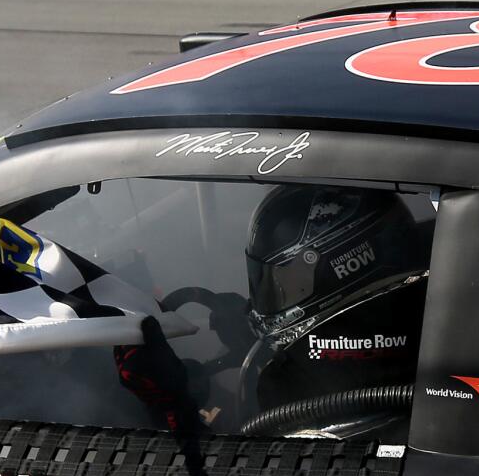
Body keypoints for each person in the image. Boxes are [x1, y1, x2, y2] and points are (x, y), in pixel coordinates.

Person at [116, 183, 435, 439]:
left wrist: (171, 408)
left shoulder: (296, 391)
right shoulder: (428, 326)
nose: (267, 298)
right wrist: (249, 336)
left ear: (342, 266)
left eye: (279, 282)